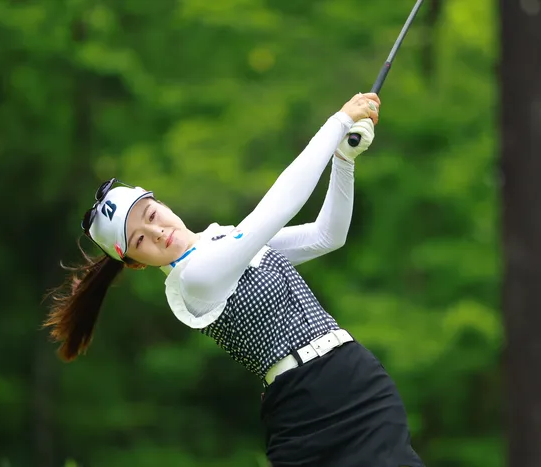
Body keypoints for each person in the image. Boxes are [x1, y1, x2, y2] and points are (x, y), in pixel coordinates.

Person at [44, 92, 424, 467]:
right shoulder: (195, 280)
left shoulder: (226, 239)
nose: (157, 233)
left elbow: (327, 236)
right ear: (134, 263)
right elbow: (279, 205)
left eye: (151, 215)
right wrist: (338, 122)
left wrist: (343, 160)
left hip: (356, 379)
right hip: (303, 406)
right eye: (140, 240)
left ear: (161, 203)